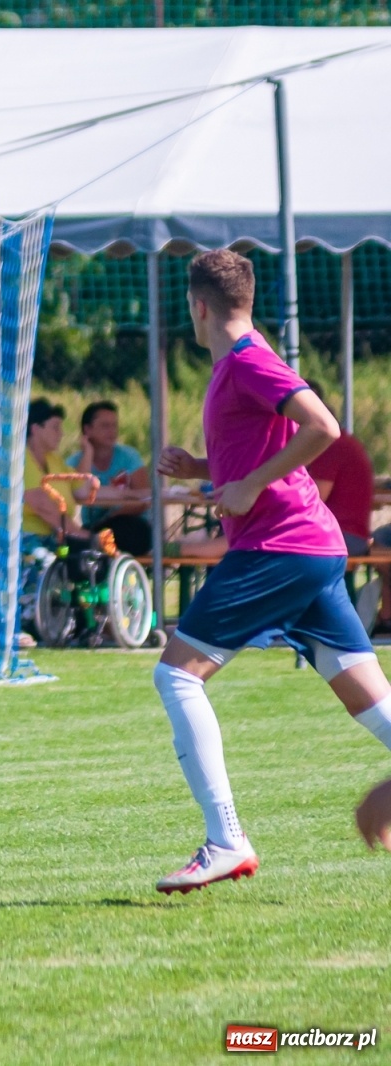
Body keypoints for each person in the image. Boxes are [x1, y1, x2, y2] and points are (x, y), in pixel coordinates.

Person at [150, 250, 391, 895]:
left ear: (198, 307)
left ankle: (226, 840)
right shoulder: (242, 360)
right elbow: (266, 447)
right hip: (308, 548)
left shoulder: (247, 361)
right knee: (369, 701)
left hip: (280, 548)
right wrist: (203, 469)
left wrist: (249, 486)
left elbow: (324, 427)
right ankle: (226, 841)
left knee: (176, 674)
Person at [67, 400, 151, 556]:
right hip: (94, 527)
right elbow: (77, 491)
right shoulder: (75, 461)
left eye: (115, 425)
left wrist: (112, 516)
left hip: (129, 525)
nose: (112, 431)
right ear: (87, 430)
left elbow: (144, 498)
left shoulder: (129, 457)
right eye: (105, 426)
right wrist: (88, 453)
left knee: (125, 532)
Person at [302, 380, 374, 557]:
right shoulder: (344, 443)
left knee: (267, 542)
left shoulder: (332, 447)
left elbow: (312, 501)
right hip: (348, 534)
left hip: (341, 535)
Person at [22, 398, 96, 549]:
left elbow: (82, 490)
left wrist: (88, 452)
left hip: (55, 539)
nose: (61, 434)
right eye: (55, 428)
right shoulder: (21, 461)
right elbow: (43, 506)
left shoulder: (55, 460)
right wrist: (83, 536)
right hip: (27, 542)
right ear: (35, 429)